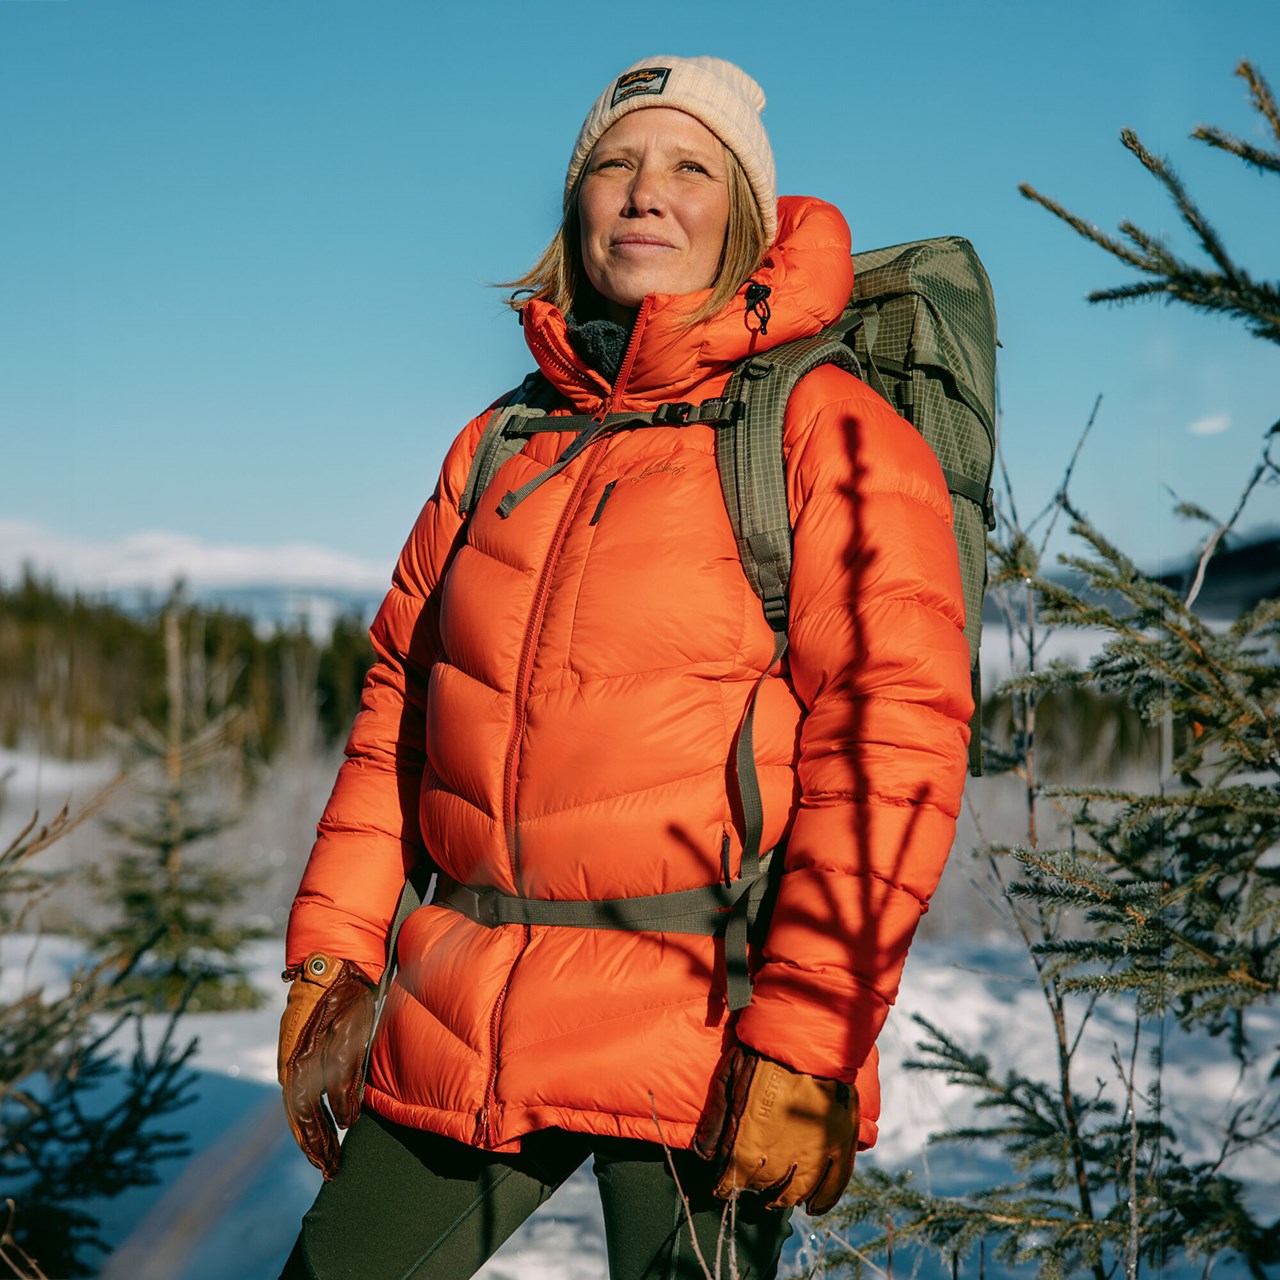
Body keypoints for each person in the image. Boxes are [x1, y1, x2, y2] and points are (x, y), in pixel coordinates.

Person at [277, 55, 972, 1280]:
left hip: (710, 1034)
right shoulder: (501, 439)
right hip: (464, 999)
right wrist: (334, 946)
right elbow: (399, 700)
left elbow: (891, 739)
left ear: (744, 218)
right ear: (574, 207)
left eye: (689, 167)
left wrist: (811, 1035)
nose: (645, 193)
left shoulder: (820, 424)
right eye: (614, 163)